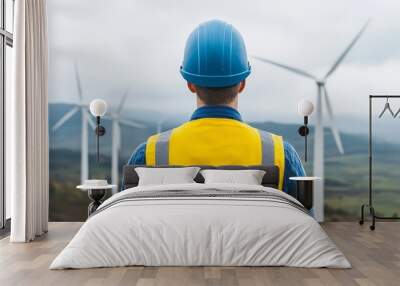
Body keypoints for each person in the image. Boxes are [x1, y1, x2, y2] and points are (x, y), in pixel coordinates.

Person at [126, 19, 305, 195]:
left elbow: (123, 221)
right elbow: (305, 221)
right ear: (242, 83)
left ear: (190, 84)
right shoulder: (279, 154)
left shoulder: (149, 153)